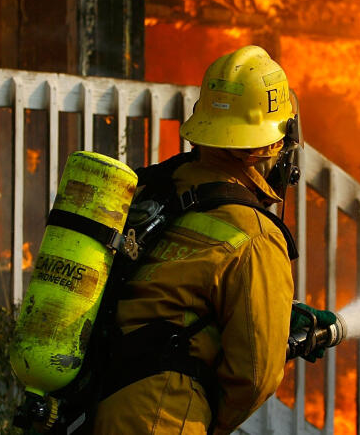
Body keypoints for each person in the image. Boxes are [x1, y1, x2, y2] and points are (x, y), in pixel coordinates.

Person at [93, 45, 303, 434]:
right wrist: (204, 420)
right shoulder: (255, 236)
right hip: (161, 418)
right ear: (266, 147)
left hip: (93, 408)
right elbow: (255, 377)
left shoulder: (155, 190)